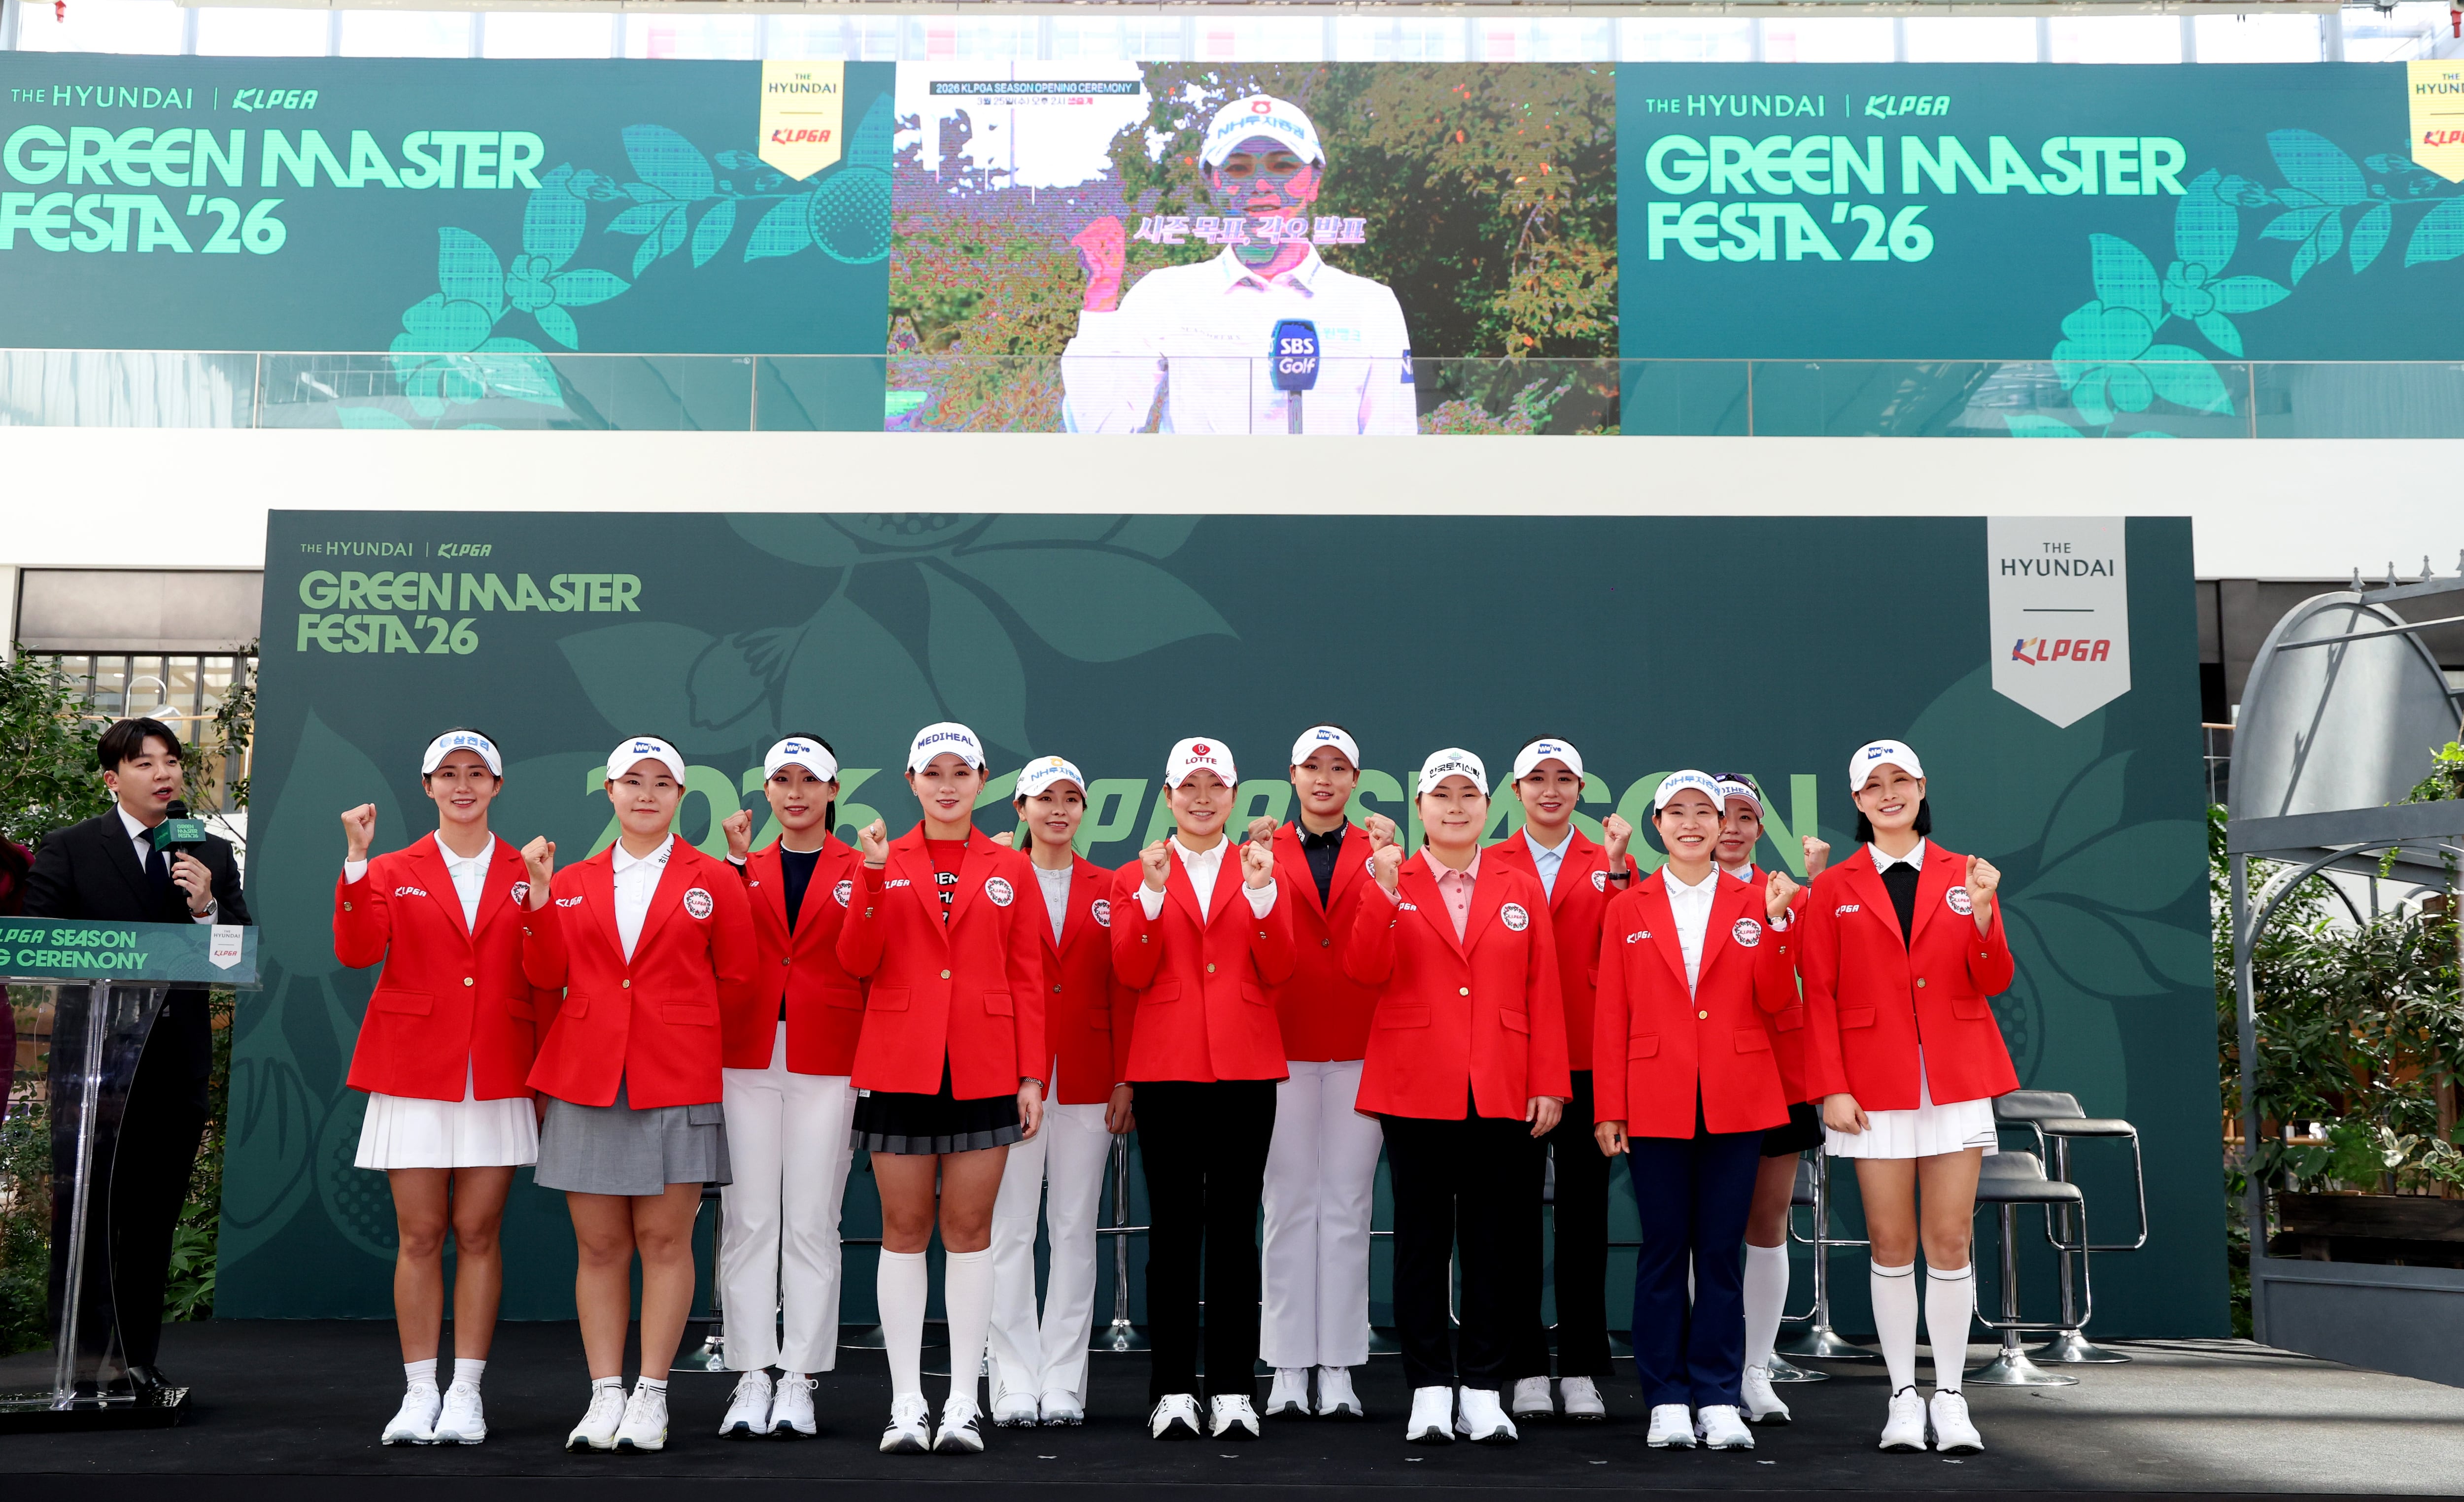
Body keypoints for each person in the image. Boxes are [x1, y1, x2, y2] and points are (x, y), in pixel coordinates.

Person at [520, 736, 760, 1455]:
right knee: (599, 1248)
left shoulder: (713, 878)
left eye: (662, 783)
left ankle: (652, 1393)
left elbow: (740, 977)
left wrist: (680, 1030)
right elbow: (543, 971)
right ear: (611, 792)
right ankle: (604, 1396)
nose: (647, 794)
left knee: (664, 1241)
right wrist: (536, 895)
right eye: (633, 781)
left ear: (681, 798)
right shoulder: (570, 879)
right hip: (588, 1074)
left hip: (676, 1075)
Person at [835, 723, 1046, 1457]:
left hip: (986, 1067)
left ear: (982, 780)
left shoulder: (1009, 866)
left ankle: (962, 1401)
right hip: (899, 1063)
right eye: (934, 773)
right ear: (912, 781)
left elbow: (1027, 977)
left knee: (969, 1233)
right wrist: (867, 877)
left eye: (961, 772)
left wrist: (1031, 1073)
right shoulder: (882, 860)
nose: (948, 784)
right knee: (904, 1233)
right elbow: (855, 958)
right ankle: (904, 1404)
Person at [1346, 749, 1567, 1448]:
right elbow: (1362, 969)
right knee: (1420, 1246)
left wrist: (1548, 1083)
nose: (1455, 806)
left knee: (1494, 1247)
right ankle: (1428, 1388)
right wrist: (1381, 893)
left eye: (1468, 795)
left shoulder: (1518, 882)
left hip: (1501, 1088)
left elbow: (1544, 988)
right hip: (1415, 1088)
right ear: (1420, 809)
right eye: (1441, 795)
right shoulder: (1388, 875)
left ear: (1488, 805)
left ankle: (1482, 1387)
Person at [25, 717, 251, 1399]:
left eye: (173, 761)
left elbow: (237, 956)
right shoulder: (68, 849)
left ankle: (136, 1362)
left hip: (172, 1066)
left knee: (151, 1223)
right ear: (112, 778)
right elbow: (38, 944)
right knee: (89, 1215)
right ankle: (83, 1362)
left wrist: (209, 908)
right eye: (146, 763)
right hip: (93, 1069)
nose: (165, 774)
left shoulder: (208, 851)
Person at [1802, 740, 2013, 1457]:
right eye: (1874, 786)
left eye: (1901, 781)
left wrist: (1985, 915)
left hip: (1955, 1077)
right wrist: (1829, 1086)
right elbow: (1820, 995)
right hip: (1869, 1086)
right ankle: (1901, 1396)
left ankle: (1951, 1396)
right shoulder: (1832, 887)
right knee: (1891, 1243)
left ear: (1922, 788)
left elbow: (1994, 978)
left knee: (1949, 1240)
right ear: (1858, 801)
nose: (1889, 794)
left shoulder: (1967, 875)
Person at [333, 729, 542, 1446]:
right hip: (414, 1067)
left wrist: (542, 901)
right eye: (448, 774)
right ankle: (419, 1391)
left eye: (477, 773)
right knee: (421, 1234)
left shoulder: (531, 868)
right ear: (427, 787)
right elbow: (357, 950)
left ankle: (467, 1393)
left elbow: (546, 970)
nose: (463, 785)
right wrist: (357, 863)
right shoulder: (390, 867)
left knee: (479, 1231)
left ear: (497, 786)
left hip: (500, 1067)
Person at [1592, 771, 1804, 1454]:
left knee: (1718, 1255)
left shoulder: (1758, 898)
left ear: (1723, 825)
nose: (1691, 823)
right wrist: (1610, 1107)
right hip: (1653, 1103)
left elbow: (1778, 1001)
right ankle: (1664, 1397)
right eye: (1676, 812)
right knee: (1662, 1254)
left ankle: (1716, 1394)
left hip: (1738, 1102)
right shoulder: (1628, 904)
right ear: (1658, 824)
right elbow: (1610, 1012)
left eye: (1704, 813)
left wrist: (1776, 927)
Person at [1109, 736, 1292, 1441]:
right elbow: (1129, 969)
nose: (1203, 797)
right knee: (1176, 1232)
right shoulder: (1137, 875)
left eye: (1216, 785)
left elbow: (1281, 968)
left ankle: (1236, 1390)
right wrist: (1153, 894)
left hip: (1246, 1070)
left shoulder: (1261, 870)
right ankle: (1173, 1390)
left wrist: (1262, 889)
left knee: (1236, 1234)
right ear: (1168, 797)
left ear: (1236, 796)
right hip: (1168, 1071)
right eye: (1190, 786)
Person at [1059, 93, 1417, 435]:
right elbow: (1101, 431)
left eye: (1283, 165)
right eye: (1238, 168)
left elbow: (1394, 447)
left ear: (1314, 182)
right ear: (1212, 183)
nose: (1261, 184)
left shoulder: (1373, 306)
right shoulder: (1163, 296)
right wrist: (1102, 295)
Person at [712, 735, 865, 1440]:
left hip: (829, 1056)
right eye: (783, 779)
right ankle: (749, 1375)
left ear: (835, 791)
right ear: (766, 791)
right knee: (748, 1222)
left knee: (809, 1221)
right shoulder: (740, 865)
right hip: (743, 1054)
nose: (797, 791)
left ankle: (799, 1378)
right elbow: (721, 942)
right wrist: (737, 864)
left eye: (811, 779)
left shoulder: (861, 865)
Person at [1480, 736, 1635, 1424]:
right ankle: (1522, 1369)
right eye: (1536, 779)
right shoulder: (1486, 863)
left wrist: (1622, 873)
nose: (1550, 790)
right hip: (1508, 1063)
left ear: (1581, 789)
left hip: (1588, 1062)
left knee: (1585, 1221)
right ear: (1515, 793)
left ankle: (1579, 1367)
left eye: (1564, 779)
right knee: (1509, 1222)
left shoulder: (1612, 865)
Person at [985, 756, 1129, 1429]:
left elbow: (1124, 987)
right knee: (1010, 1230)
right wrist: (1013, 1070)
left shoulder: (1112, 885)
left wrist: (1125, 1074)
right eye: (1046, 799)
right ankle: (1012, 1377)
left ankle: (1064, 1380)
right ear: (1020, 809)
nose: (1059, 810)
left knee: (1073, 1230)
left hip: (1091, 1079)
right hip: (1014, 1079)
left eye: (1072, 798)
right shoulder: (998, 879)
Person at [1255, 724, 1386, 1423]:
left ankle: (1337, 1364)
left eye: (1339, 767)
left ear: (1355, 779)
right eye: (1313, 766)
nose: (1325, 779)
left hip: (1363, 1048)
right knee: (1287, 1207)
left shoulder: (1384, 849)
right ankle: (1284, 1364)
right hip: (1280, 1047)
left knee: (1347, 1209)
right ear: (1293, 774)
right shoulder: (1259, 847)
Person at [1710, 773, 1830, 1427]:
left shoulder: (1793, 897)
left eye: (1744, 816)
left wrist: (1816, 888)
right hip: (1699, 1082)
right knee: (1704, 1228)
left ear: (1761, 827)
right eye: (1717, 813)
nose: (1730, 827)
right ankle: (1707, 1365)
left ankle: (1756, 1370)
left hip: (1778, 1079)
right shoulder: (1671, 894)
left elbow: (1815, 983)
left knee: (1767, 1222)